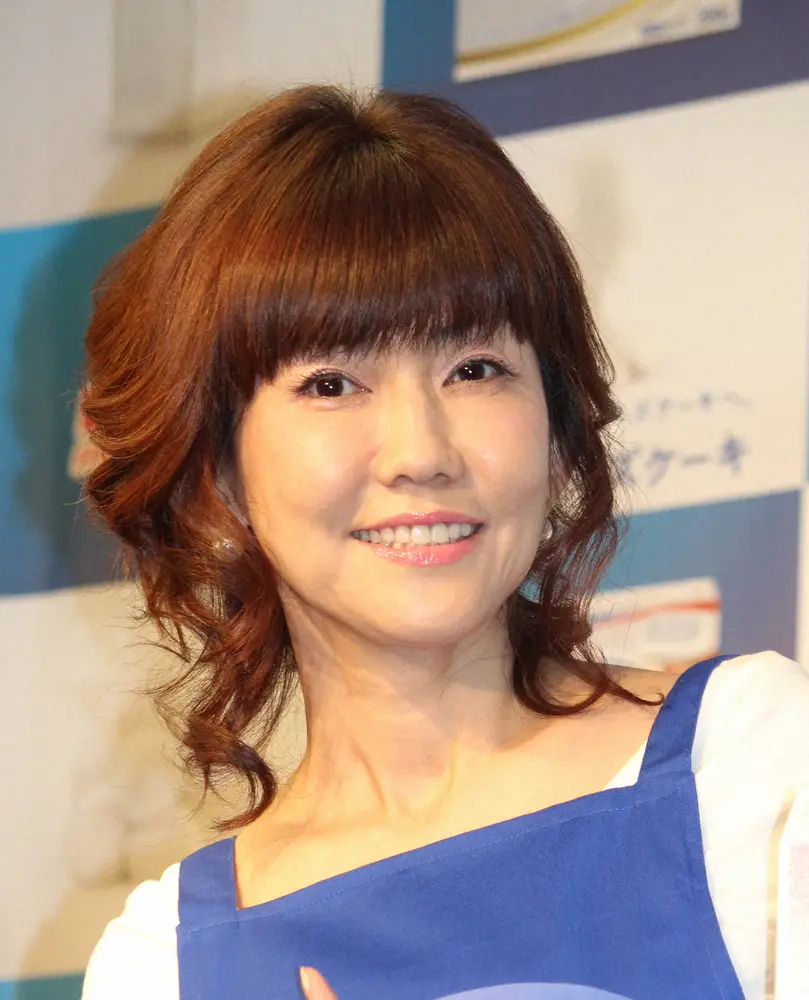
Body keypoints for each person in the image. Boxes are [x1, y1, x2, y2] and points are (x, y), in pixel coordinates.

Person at [80, 85, 809, 1000]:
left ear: (555, 426)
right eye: (331, 384)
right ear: (217, 469)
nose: (420, 452)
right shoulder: (165, 965)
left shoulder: (752, 767)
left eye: (474, 368)